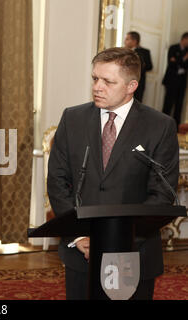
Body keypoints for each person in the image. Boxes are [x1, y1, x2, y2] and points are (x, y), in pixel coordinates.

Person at [47, 47, 179, 300]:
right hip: (80, 251)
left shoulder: (160, 126)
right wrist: (80, 235)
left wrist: (116, 241)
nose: (98, 87)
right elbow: (57, 181)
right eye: (95, 78)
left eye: (108, 81)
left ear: (131, 86)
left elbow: (162, 194)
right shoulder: (72, 118)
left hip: (134, 254)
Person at [162, 32, 188, 127]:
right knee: (168, 103)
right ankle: (163, 125)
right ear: (184, 39)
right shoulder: (173, 48)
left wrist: (178, 61)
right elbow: (171, 63)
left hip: (182, 82)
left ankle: (176, 127)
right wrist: (184, 58)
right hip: (171, 80)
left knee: (179, 105)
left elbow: (182, 64)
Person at [124, 31, 153, 102]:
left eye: (127, 39)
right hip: (124, 81)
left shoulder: (145, 52)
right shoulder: (123, 51)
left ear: (134, 41)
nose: (125, 41)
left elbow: (150, 66)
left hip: (139, 82)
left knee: (137, 102)